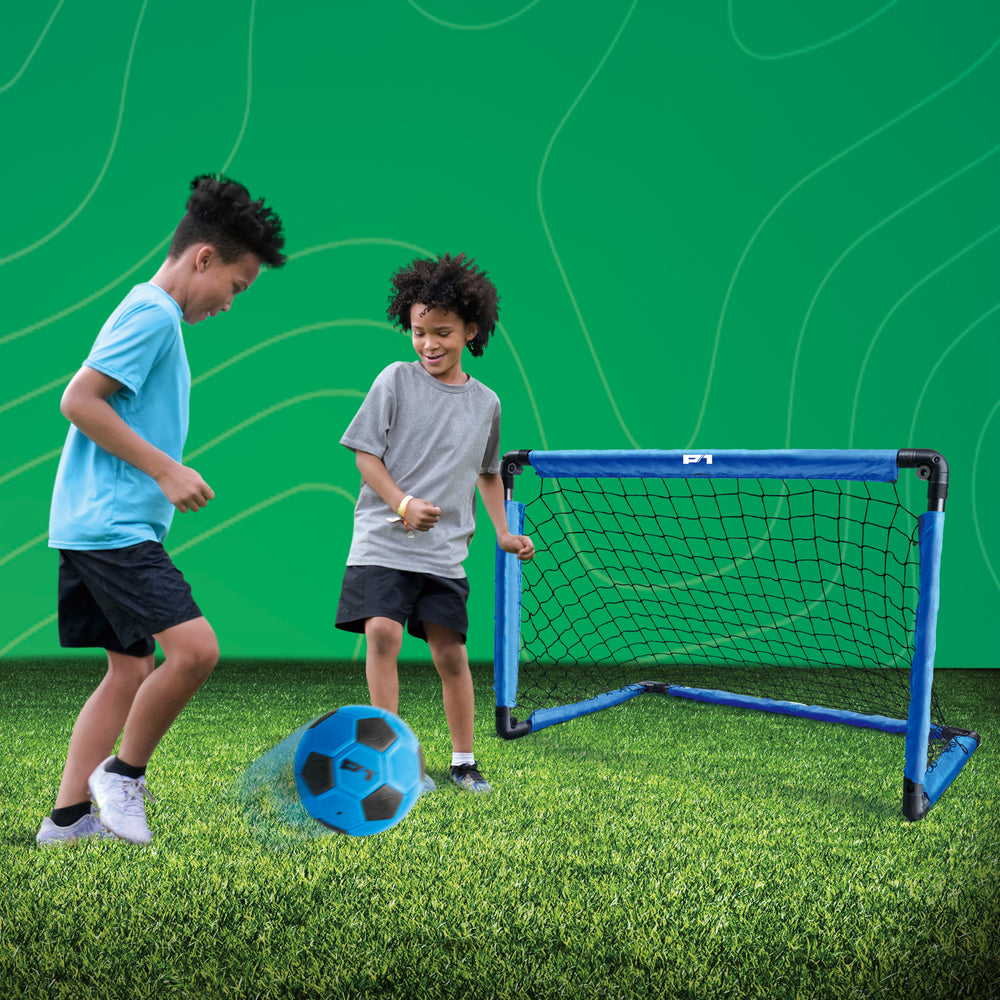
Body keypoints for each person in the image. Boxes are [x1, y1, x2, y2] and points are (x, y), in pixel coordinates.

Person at [36, 174, 287, 845]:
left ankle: (67, 821)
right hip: (112, 526)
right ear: (204, 258)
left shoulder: (148, 312)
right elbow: (78, 400)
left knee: (129, 670)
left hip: (93, 523)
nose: (230, 304)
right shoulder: (154, 316)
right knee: (196, 651)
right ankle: (123, 776)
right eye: (236, 286)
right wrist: (166, 469)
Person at [335, 252, 535, 794]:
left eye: (442, 333)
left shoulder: (487, 403)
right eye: (419, 332)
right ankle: (391, 758)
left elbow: (487, 473)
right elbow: (365, 455)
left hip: (444, 553)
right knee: (382, 633)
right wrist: (401, 503)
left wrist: (502, 532)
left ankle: (463, 761)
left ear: (471, 330)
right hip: (382, 539)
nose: (428, 344)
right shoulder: (395, 380)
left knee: (451, 654)